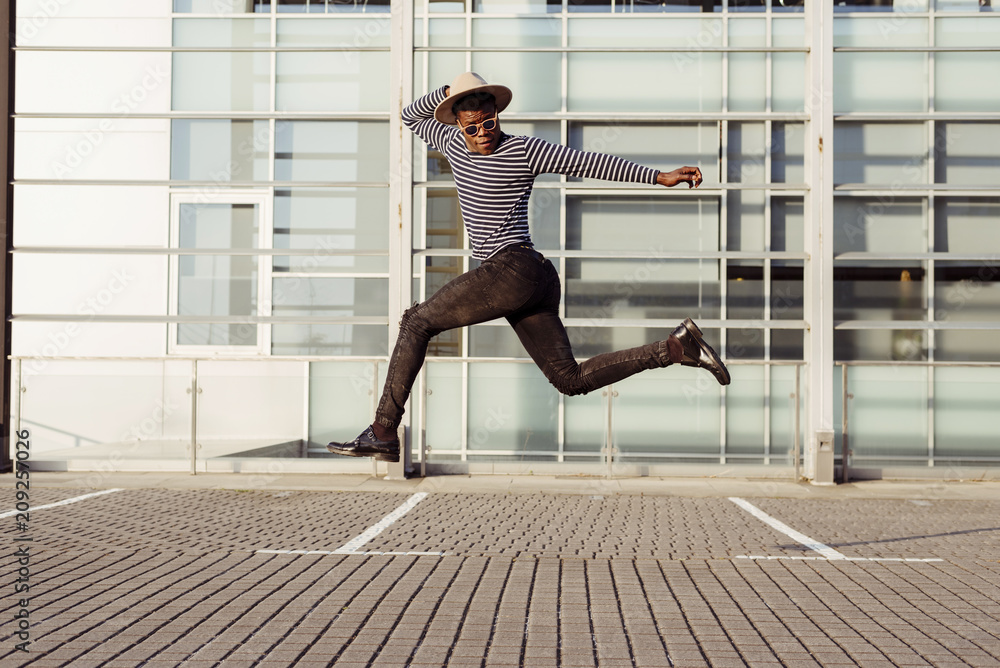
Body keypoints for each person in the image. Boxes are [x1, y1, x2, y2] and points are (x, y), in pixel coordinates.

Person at [328, 72, 730, 464]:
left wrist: (659, 177)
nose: (483, 132)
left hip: (515, 267)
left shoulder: (522, 149)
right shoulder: (449, 141)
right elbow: (411, 116)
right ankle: (677, 348)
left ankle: (382, 432)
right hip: (530, 281)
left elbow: (588, 162)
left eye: (490, 122)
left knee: (416, 322)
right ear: (458, 125)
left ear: (498, 116)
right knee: (569, 380)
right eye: (473, 127)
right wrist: (451, 90)